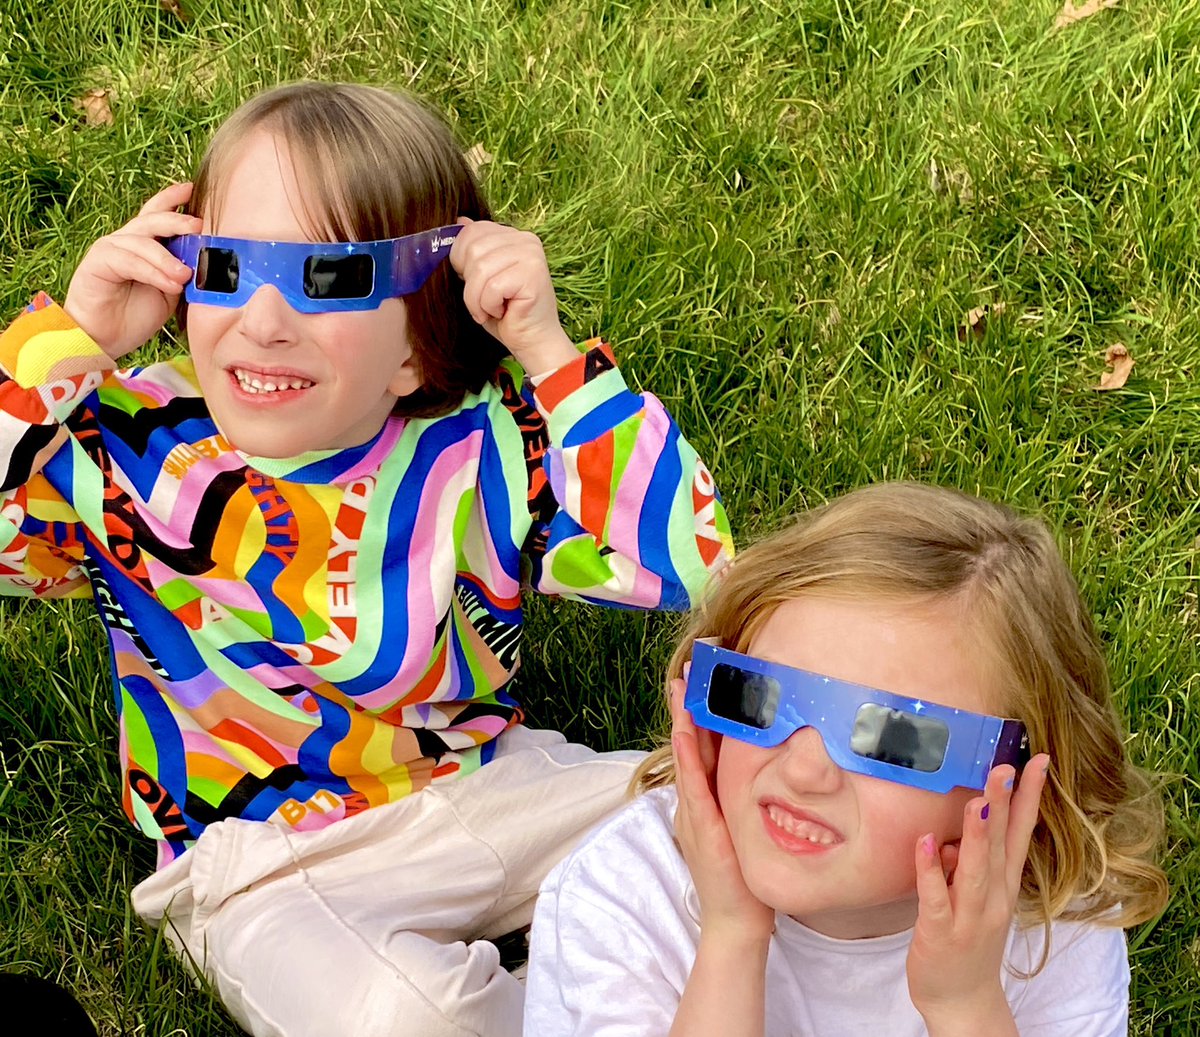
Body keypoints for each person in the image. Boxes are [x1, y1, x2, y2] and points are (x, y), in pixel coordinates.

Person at [0, 81, 733, 1037]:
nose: (262, 318)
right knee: (404, 1018)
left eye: (329, 278)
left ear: (417, 346)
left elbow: (694, 564)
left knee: (724, 810)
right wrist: (73, 343)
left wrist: (549, 354)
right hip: (257, 864)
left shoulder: (488, 440)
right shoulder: (122, 441)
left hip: (483, 777)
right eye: (226, 264)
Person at [524, 482, 1168, 1037]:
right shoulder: (623, 897)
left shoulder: (1056, 934)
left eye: (891, 739)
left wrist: (966, 1005)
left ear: (1010, 781)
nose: (803, 769)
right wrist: (730, 938)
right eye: (759, 697)